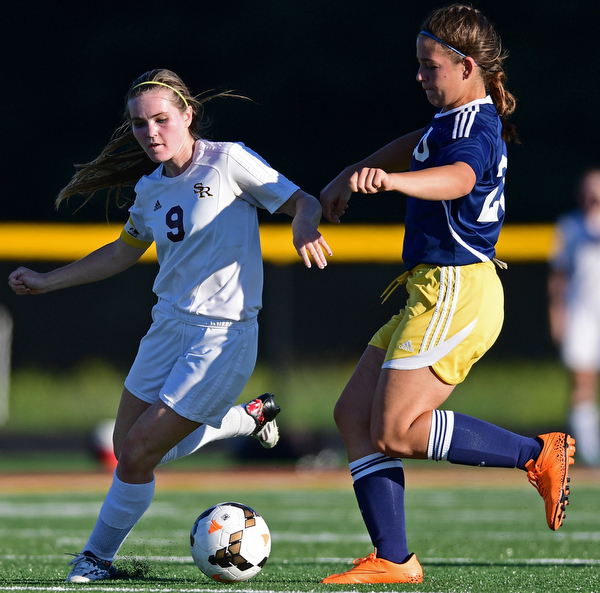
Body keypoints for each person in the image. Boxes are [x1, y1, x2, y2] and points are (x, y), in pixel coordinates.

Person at [8, 68, 331, 582]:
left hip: (223, 337)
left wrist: (304, 223)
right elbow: (120, 252)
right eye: (139, 124)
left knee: (137, 453)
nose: (151, 133)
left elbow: (302, 200)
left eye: (161, 119)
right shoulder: (150, 188)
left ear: (188, 115)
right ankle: (246, 418)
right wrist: (49, 281)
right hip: (166, 329)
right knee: (126, 450)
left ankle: (95, 558)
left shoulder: (229, 160)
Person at [318, 4, 575, 585]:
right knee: (355, 416)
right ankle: (394, 558)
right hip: (433, 289)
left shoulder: (476, 129)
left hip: (458, 288)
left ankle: (536, 453)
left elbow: (458, 178)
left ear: (465, 66)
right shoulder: (452, 122)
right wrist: (353, 170)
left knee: (396, 429)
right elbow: (419, 143)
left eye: (428, 66)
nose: (419, 76)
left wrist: (391, 182)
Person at [549, 169, 600, 466]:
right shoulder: (569, 226)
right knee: (582, 383)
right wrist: (557, 314)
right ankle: (590, 456)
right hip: (581, 313)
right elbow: (559, 276)